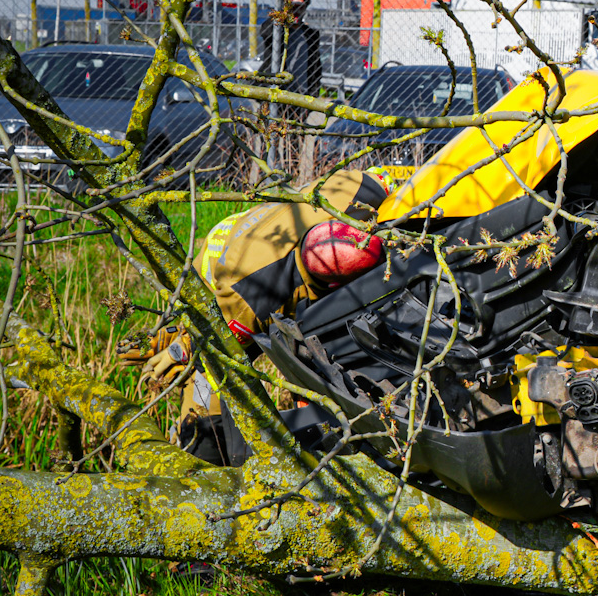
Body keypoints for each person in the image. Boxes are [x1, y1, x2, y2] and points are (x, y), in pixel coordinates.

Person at [123, 167, 398, 465]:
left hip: (256, 242)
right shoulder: (250, 294)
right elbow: (217, 340)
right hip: (225, 277)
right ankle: (206, 467)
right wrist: (181, 350)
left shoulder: (358, 191)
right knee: (208, 387)